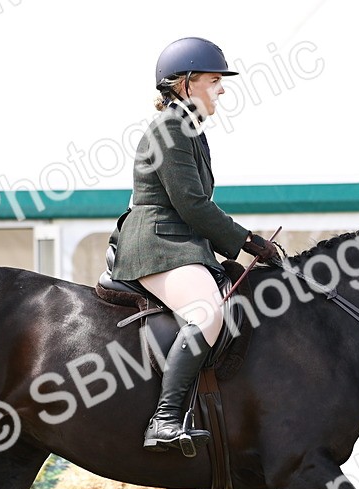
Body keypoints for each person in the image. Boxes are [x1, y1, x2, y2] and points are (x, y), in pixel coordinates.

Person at [112, 37, 281, 457]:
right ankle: (165, 420)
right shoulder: (170, 128)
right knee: (207, 313)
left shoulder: (189, 129)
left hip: (181, 242)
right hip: (158, 242)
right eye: (213, 80)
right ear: (184, 83)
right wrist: (245, 241)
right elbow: (191, 203)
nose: (221, 89)